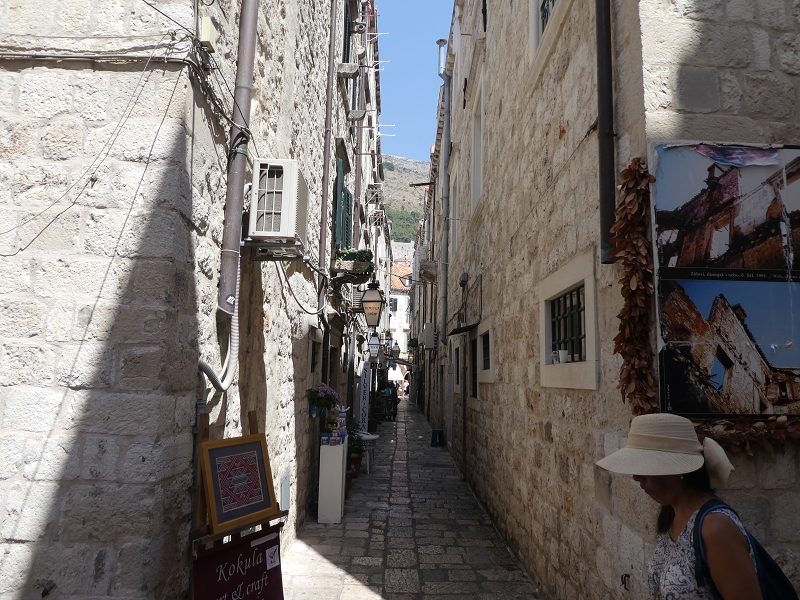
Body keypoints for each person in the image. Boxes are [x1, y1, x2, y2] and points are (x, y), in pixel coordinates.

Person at [596, 413, 761, 600]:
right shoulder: (674, 514)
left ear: (677, 470)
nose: (636, 477)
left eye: (645, 467)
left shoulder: (715, 528)